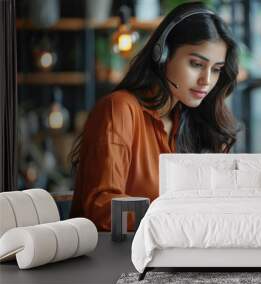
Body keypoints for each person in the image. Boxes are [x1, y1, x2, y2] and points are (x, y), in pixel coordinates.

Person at [69, 2, 239, 231]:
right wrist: (180, 217)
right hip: (114, 260)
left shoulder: (198, 122)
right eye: (196, 64)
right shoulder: (119, 109)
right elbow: (103, 209)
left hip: (179, 256)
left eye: (216, 69)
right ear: (163, 55)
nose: (206, 80)